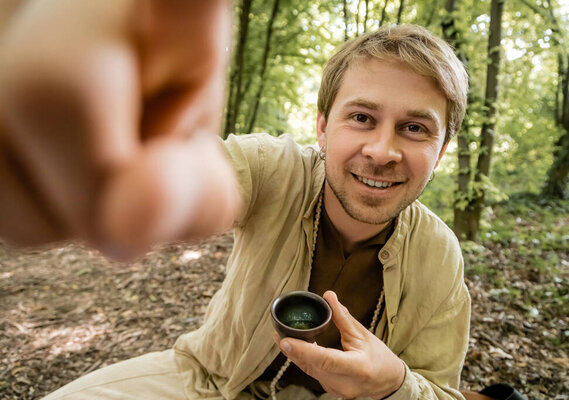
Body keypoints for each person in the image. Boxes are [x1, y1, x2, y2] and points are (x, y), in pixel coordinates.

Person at [0, 2, 480, 400]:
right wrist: (125, 145)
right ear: (322, 127)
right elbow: (199, 168)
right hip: (208, 384)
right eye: (361, 117)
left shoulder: (439, 256)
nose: (381, 150)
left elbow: (440, 391)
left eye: (414, 128)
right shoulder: (276, 169)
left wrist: (393, 385)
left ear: (440, 152)